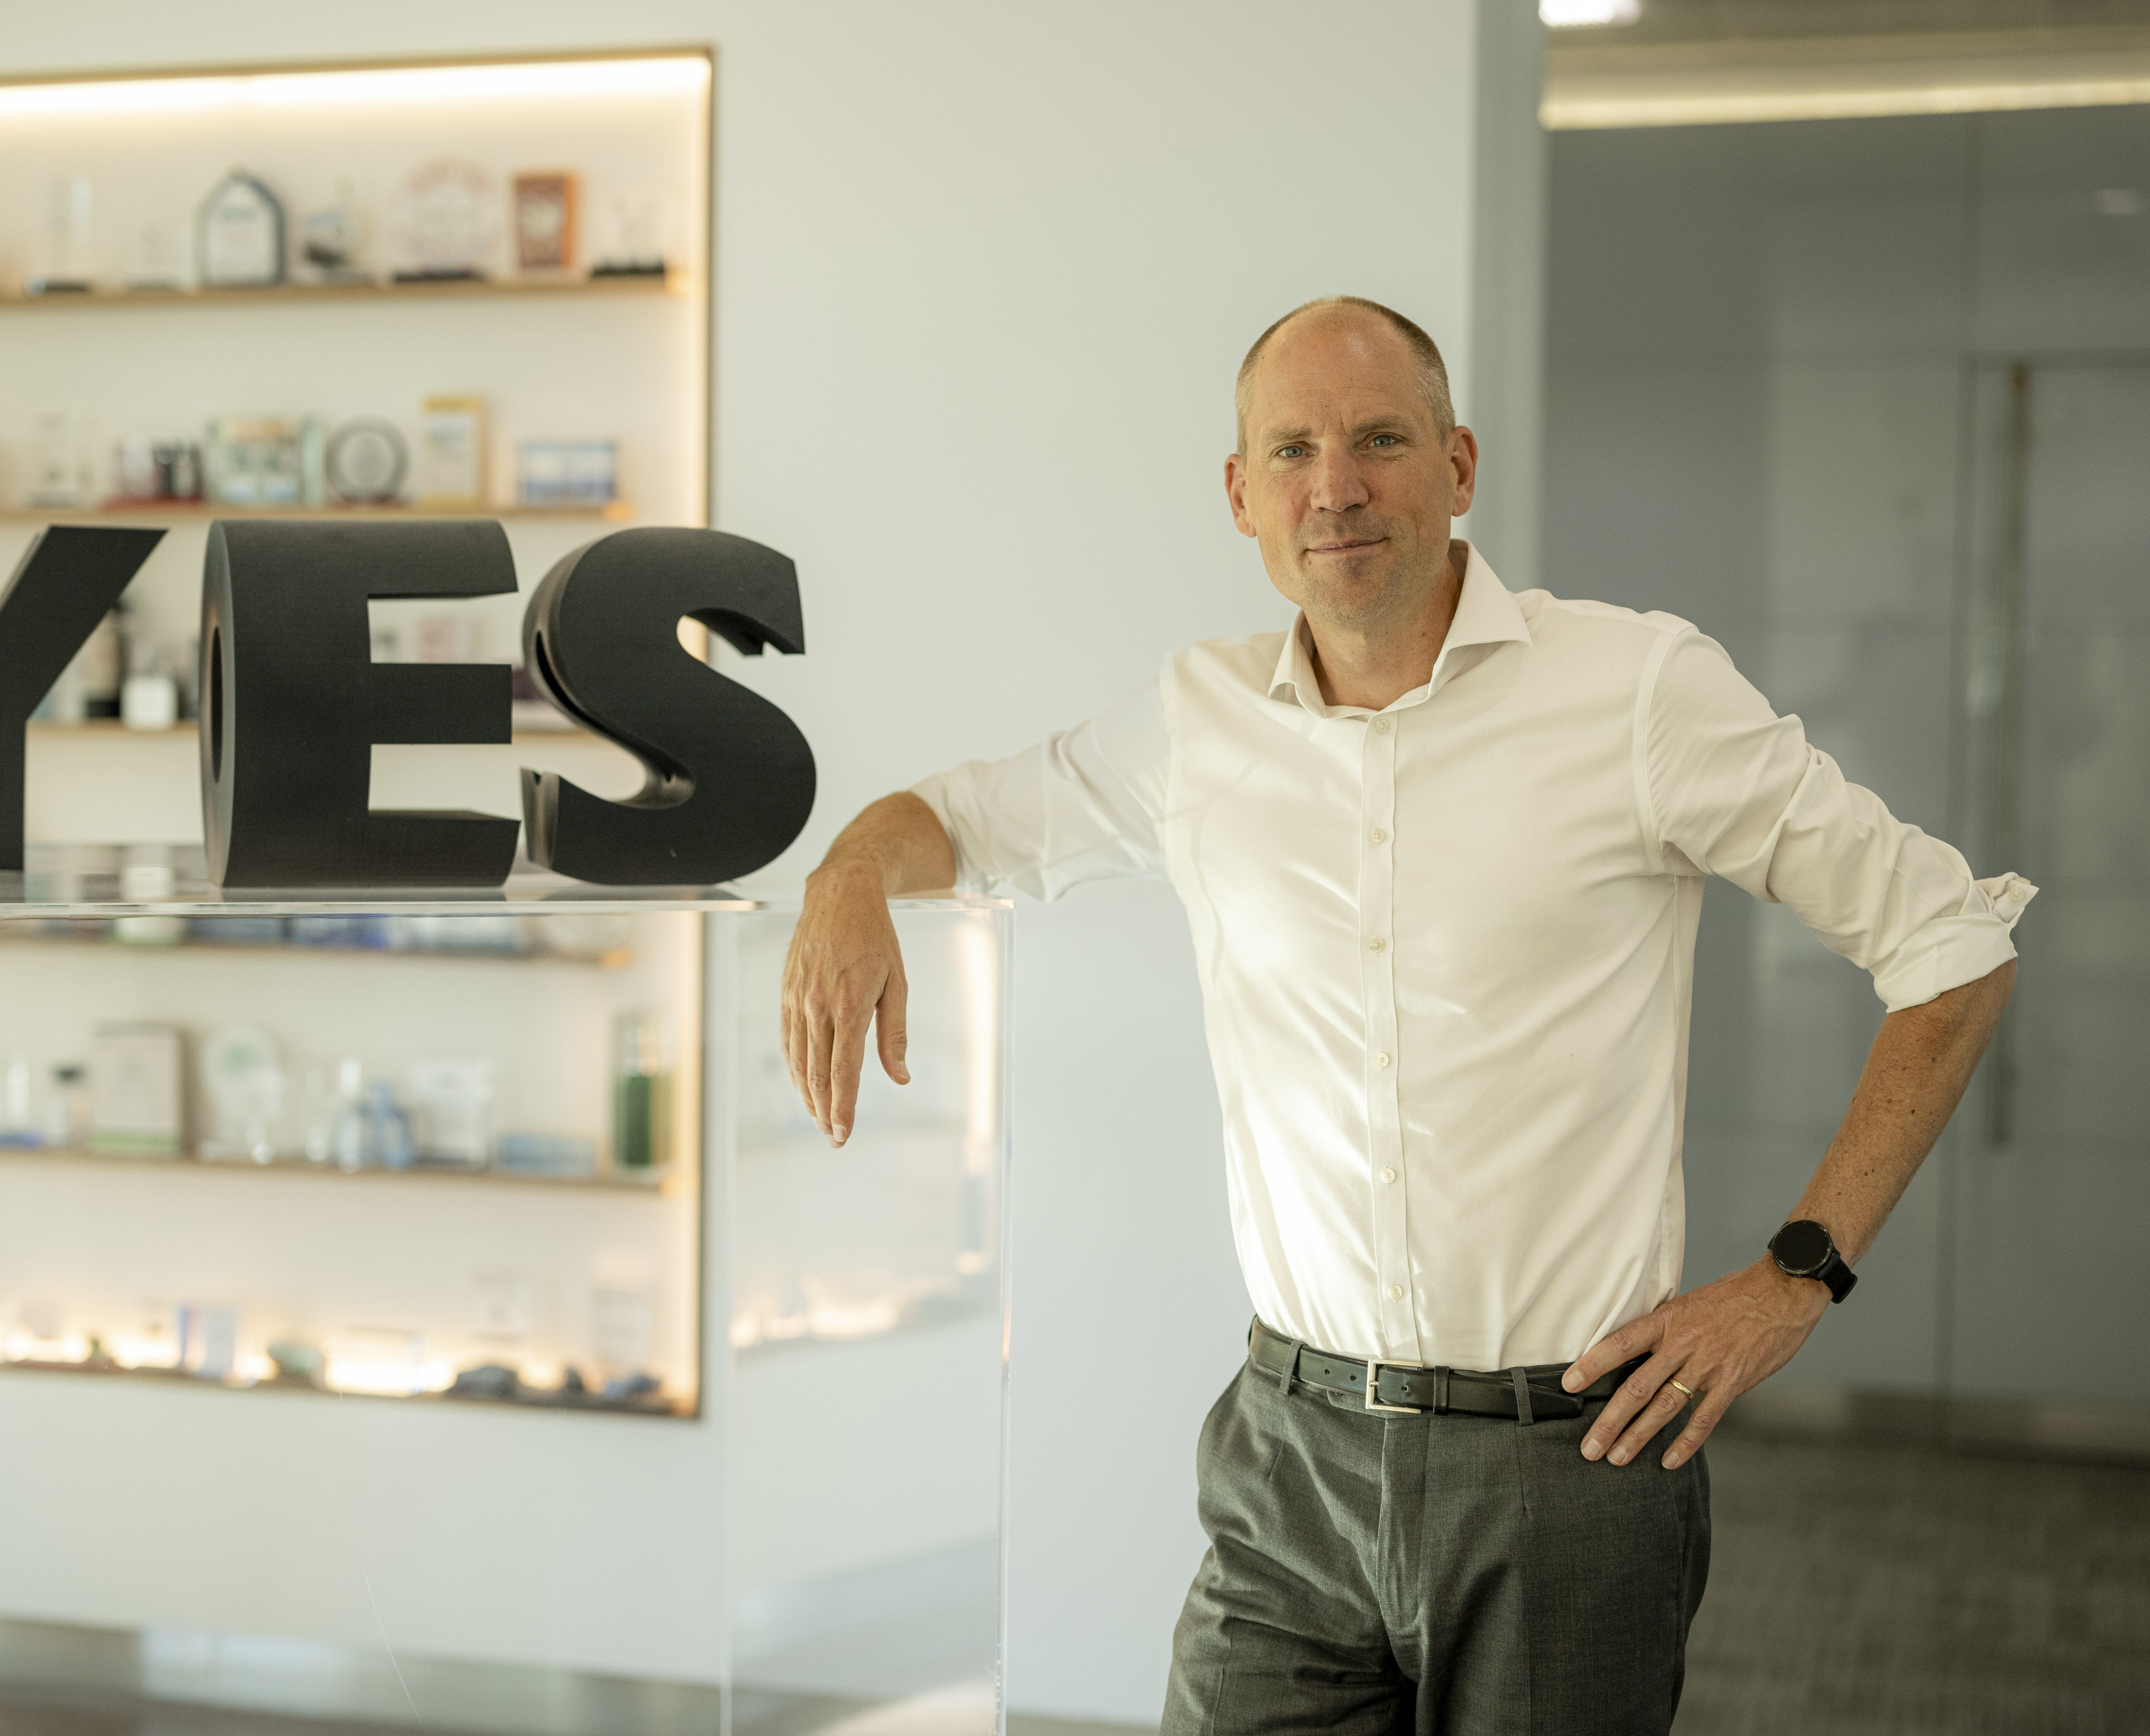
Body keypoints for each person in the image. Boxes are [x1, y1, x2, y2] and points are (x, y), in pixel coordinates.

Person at [777, 297, 2032, 1734]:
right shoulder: (1197, 721)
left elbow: (1952, 945)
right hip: (1288, 1463)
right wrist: (848, 876)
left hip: (1569, 1466)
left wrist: (1797, 1276)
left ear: (1459, 465)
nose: (1337, 488)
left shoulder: (1633, 692)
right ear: (1240, 494)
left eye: (1380, 439)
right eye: (1293, 450)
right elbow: (956, 819)